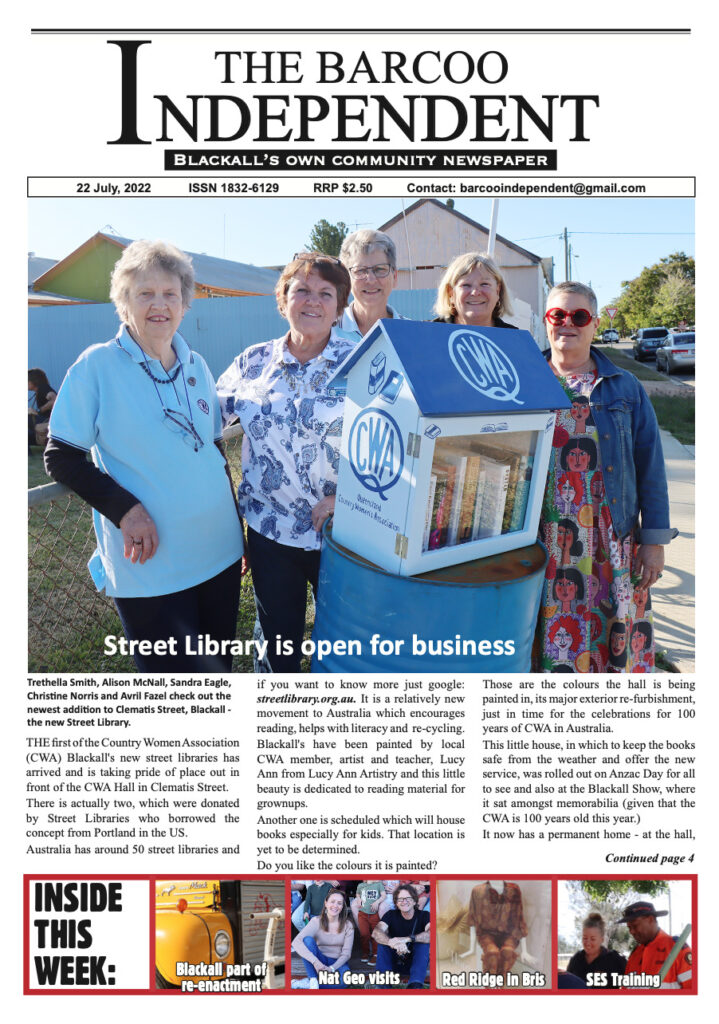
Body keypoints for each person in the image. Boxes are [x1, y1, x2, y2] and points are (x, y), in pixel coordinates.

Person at [45, 240, 244, 672]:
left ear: (185, 303)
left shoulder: (197, 366)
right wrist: (127, 511)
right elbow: (61, 457)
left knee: (216, 674)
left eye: (170, 293)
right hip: (152, 568)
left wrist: (236, 528)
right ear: (124, 302)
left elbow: (211, 450)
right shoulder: (95, 366)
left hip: (220, 553)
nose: (160, 305)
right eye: (145, 293)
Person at [217, 252, 354, 673]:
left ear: (340, 307)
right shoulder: (253, 362)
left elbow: (396, 442)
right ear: (283, 300)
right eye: (302, 291)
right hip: (270, 529)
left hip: (345, 530)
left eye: (325, 294)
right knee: (277, 642)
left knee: (349, 640)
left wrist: (346, 498)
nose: (312, 301)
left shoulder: (364, 361)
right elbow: (201, 422)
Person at [536, 282, 676, 673]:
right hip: (547, 538)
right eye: (558, 316)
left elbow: (651, 466)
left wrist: (654, 541)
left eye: (578, 316)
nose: (568, 324)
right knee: (551, 631)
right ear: (546, 322)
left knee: (614, 634)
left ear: (594, 324)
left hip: (612, 536)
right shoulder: (527, 380)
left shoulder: (624, 387)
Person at [338, 229, 407, 337]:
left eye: (379, 269)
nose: (370, 280)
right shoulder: (326, 332)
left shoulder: (413, 334)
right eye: (360, 270)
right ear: (346, 278)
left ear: (395, 276)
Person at [433, 251, 517, 329]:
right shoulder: (428, 334)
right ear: (450, 293)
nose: (475, 292)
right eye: (466, 285)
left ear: (497, 291)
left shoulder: (515, 340)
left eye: (484, 284)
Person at [619, 900, 692, 990]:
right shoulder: (635, 954)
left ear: (650, 919)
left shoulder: (677, 949)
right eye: (629, 928)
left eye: (635, 926)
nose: (631, 932)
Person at [291, 888, 355, 989]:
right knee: (307, 940)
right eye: (332, 902)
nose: (335, 906)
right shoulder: (316, 921)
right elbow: (296, 942)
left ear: (343, 906)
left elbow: (346, 954)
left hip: (337, 961)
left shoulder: (348, 925)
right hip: (319, 958)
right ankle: (313, 979)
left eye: (339, 903)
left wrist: (332, 968)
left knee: (344, 982)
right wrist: (316, 962)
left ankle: (310, 984)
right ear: (326, 903)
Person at [372, 884, 430, 988]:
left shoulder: (424, 915)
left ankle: (415, 985)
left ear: (414, 901)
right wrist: (391, 942)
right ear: (396, 903)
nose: (404, 901)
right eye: (400, 899)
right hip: (394, 962)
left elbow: (432, 934)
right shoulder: (390, 915)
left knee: (423, 944)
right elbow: (376, 932)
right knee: (382, 941)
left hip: (415, 963)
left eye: (408, 898)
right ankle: (383, 984)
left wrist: (406, 939)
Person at [566, 912, 626, 987]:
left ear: (602, 939)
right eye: (585, 938)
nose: (588, 943)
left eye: (593, 939)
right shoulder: (576, 959)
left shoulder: (615, 959)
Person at [351, 880, 385, 962]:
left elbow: (383, 896)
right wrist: (358, 898)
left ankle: (375, 954)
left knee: (375, 935)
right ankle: (365, 953)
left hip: (374, 914)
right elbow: (358, 893)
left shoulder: (378, 884)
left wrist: (377, 902)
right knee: (364, 934)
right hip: (363, 914)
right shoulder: (361, 885)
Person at [28, 368, 56, 447]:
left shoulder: (43, 388)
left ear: (34, 381)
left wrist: (38, 411)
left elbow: (54, 400)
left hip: (49, 423)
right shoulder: (41, 390)